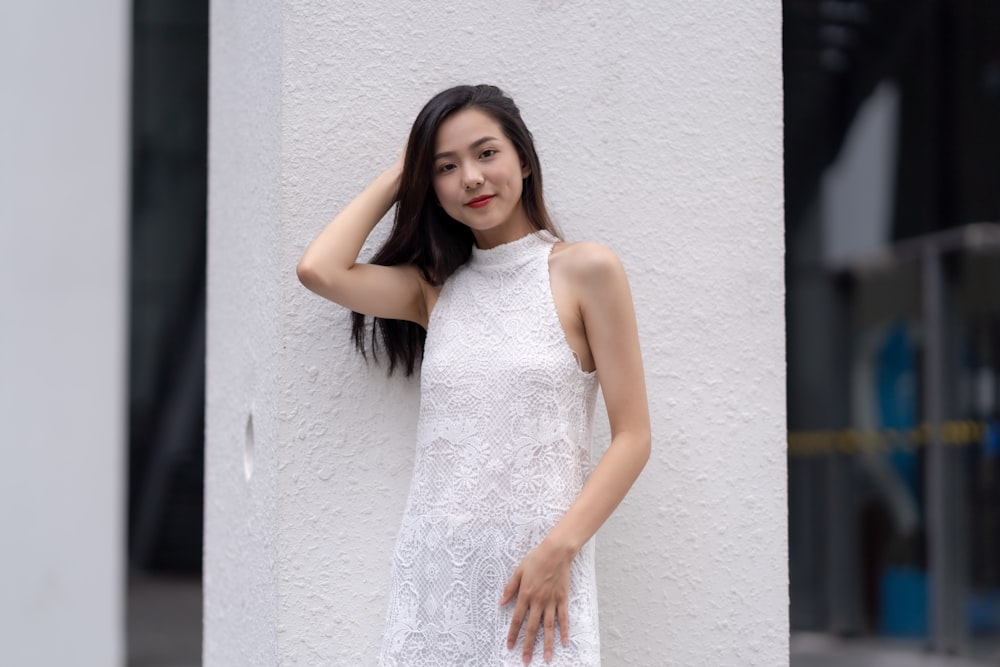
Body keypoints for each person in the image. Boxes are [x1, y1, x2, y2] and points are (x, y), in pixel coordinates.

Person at [297, 84, 650, 666]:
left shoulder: (586, 270)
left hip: (538, 580)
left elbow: (634, 436)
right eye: (446, 166)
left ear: (524, 159)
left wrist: (558, 550)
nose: (471, 178)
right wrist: (403, 169)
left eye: (487, 154)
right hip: (436, 575)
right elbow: (319, 270)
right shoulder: (433, 290)